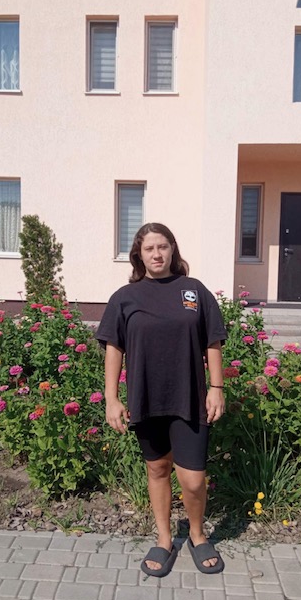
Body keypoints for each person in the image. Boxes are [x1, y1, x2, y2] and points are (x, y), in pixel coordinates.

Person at [95, 222, 227, 577]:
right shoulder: (125, 297)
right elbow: (113, 348)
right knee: (157, 469)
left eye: (163, 246)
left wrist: (216, 387)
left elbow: (213, 341)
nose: (157, 254)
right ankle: (165, 538)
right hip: (147, 399)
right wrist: (112, 398)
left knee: (193, 479)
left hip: (190, 399)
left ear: (172, 250)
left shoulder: (194, 291)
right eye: (149, 248)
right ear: (139, 255)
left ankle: (197, 535)